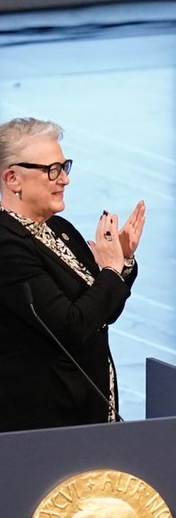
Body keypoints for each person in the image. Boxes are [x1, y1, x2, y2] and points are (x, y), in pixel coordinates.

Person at [0, 117, 145, 432]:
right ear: (13, 179)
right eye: (52, 170)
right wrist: (110, 270)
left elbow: (102, 312)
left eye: (64, 167)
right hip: (44, 422)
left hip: (86, 411)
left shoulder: (59, 229)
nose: (64, 180)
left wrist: (122, 260)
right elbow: (70, 326)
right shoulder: (6, 246)